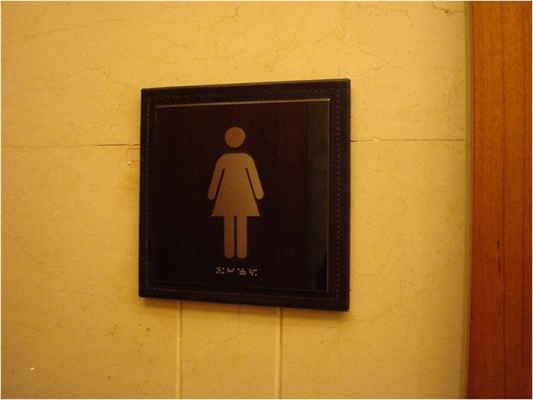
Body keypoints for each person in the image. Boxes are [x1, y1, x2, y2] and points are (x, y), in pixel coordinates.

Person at [207, 127, 264, 259]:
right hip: (242, 196)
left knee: (230, 222)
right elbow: (253, 178)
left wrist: (212, 194)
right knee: (238, 222)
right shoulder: (245, 159)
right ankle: (238, 252)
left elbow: (216, 179)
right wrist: (258, 193)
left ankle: (232, 253)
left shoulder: (224, 159)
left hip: (228, 196)